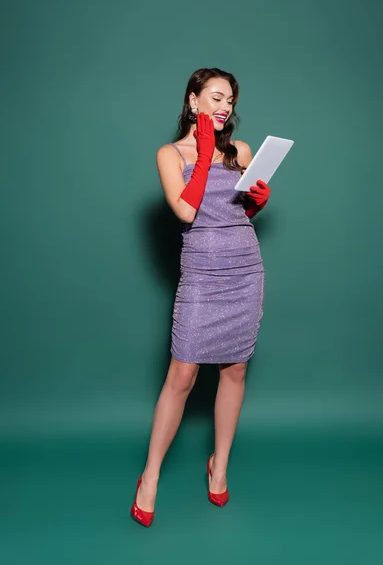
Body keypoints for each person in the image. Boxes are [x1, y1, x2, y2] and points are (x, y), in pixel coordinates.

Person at [131, 68, 271, 527]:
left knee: (234, 371)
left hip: (244, 268)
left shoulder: (243, 151)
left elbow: (238, 210)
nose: (224, 105)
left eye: (229, 99)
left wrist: (255, 201)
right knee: (182, 375)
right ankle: (149, 476)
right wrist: (206, 154)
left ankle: (220, 465)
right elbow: (187, 211)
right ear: (193, 102)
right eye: (215, 97)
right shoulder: (169, 154)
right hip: (202, 271)